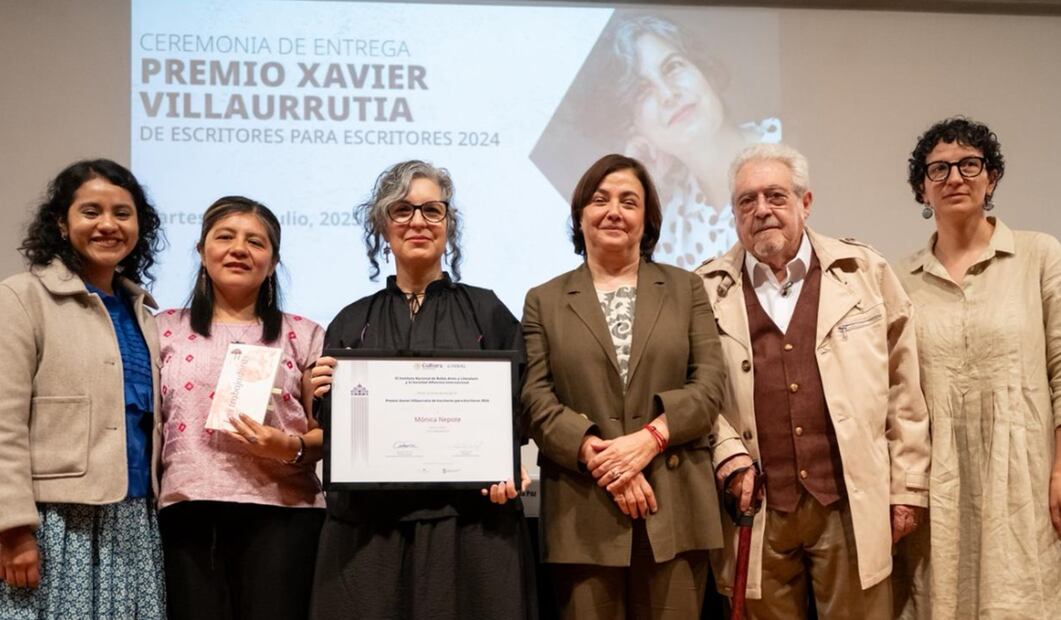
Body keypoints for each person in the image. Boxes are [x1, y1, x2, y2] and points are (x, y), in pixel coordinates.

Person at [695, 143, 931, 619]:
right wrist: (726, 453)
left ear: (805, 203)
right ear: (734, 215)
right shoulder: (704, 290)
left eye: (776, 196)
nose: (762, 210)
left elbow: (903, 387)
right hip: (755, 507)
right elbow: (695, 390)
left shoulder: (863, 272)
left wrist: (907, 488)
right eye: (746, 201)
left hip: (848, 503)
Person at [308, 160, 536, 620]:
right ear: (382, 225)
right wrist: (321, 390)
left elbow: (522, 405)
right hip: (371, 535)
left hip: (471, 529)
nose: (418, 221)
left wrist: (507, 464)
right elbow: (336, 429)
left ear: (449, 225)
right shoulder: (352, 320)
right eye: (402, 210)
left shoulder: (486, 312)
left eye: (432, 210)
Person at [522, 153, 734, 619]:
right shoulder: (544, 300)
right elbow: (536, 398)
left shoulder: (687, 289)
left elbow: (709, 385)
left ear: (648, 219)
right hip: (582, 511)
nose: (613, 211)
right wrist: (601, 458)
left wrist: (649, 440)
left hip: (675, 507)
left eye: (628, 201)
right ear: (580, 216)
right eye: (600, 200)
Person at [894, 117, 1061, 619]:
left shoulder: (1038, 255)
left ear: (992, 178)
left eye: (970, 164)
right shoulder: (899, 278)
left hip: (1024, 476)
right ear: (922, 189)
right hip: (938, 482)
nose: (954, 178)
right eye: (938, 169)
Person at [0, 159, 167, 618]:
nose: (108, 225)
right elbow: (4, 423)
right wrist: (12, 528)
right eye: (91, 211)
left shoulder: (142, 312)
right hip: (52, 523)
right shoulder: (21, 297)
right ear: (61, 222)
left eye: (122, 213)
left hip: (133, 521)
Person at [155, 196, 326, 620]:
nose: (238, 249)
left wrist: (287, 447)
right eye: (225, 237)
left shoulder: (304, 334)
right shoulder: (162, 329)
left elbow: (327, 435)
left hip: (283, 515)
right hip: (187, 512)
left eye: (255, 241)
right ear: (202, 251)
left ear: (273, 261)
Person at [609, 14, 781, 268]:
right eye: (642, 91)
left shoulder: (791, 146)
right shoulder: (670, 227)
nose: (668, 94)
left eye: (672, 67)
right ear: (634, 127)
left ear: (704, 71)